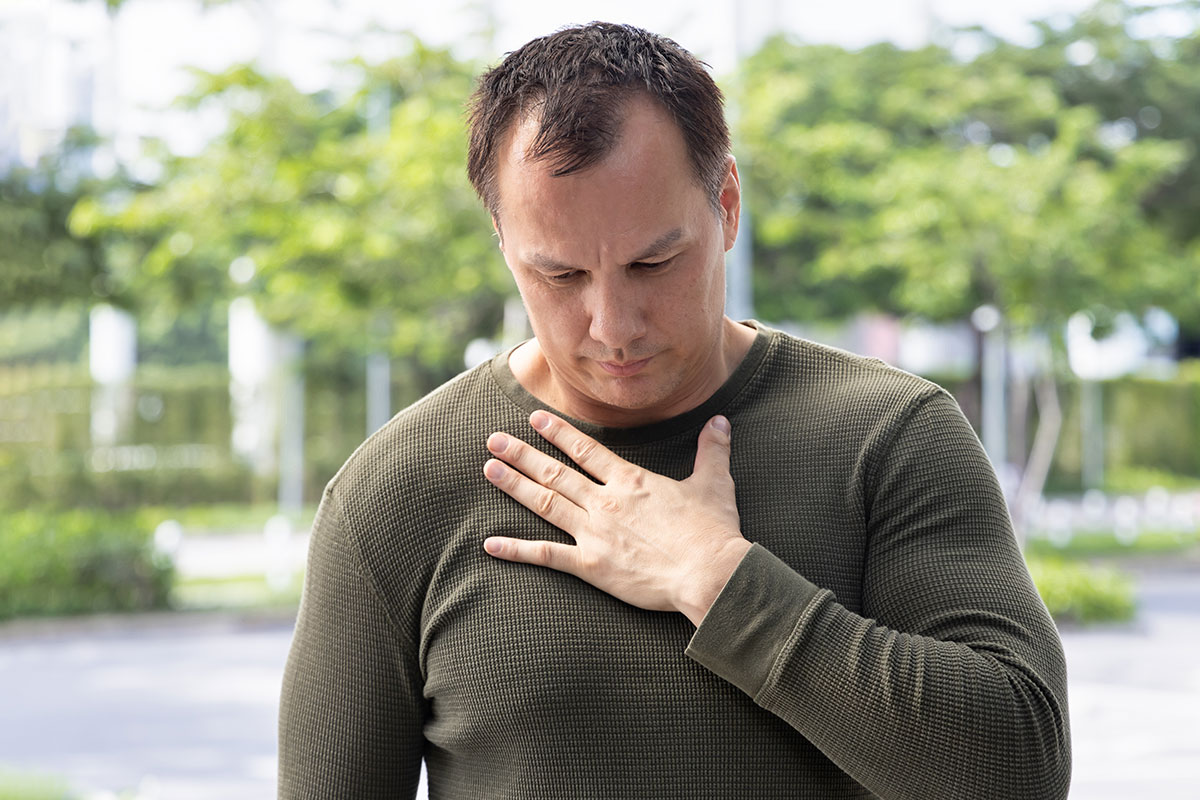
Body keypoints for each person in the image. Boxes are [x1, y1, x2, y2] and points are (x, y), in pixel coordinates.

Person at [278, 22, 1071, 800]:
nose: (613, 324)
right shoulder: (395, 490)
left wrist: (718, 581)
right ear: (501, 238)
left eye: (652, 262)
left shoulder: (889, 437)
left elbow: (1021, 770)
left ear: (726, 205)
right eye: (558, 276)